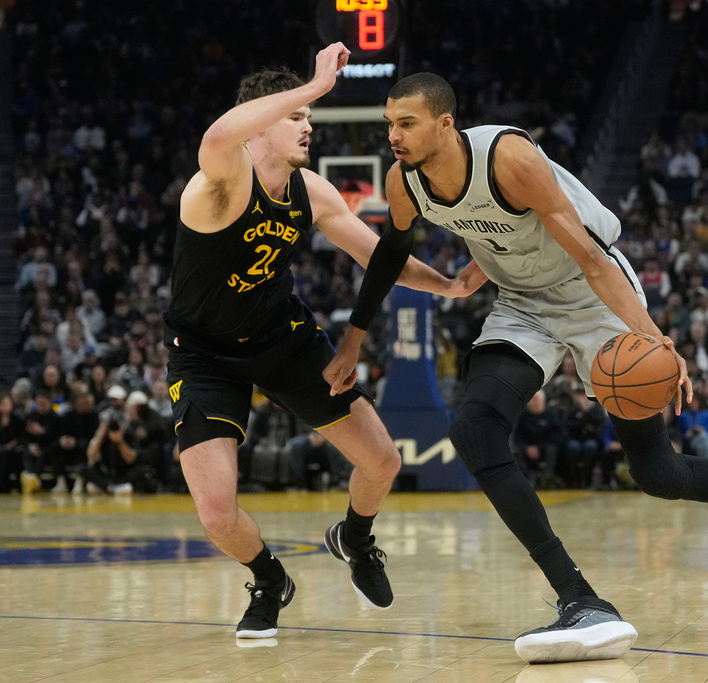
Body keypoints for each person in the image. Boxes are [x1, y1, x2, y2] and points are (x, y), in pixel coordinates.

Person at [325, 72, 708, 664]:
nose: (394, 135)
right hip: (522, 303)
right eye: (389, 123)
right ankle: (579, 598)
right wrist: (354, 339)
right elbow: (392, 251)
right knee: (475, 428)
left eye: (406, 122)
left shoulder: (508, 158)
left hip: (591, 290)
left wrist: (653, 336)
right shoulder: (405, 181)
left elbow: (589, 256)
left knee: (657, 472)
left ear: (444, 123)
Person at [161, 47, 485, 640]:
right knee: (214, 511)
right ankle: (269, 579)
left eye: (309, 115)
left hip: (281, 338)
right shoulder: (219, 179)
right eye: (297, 117)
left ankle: (355, 539)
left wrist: (449, 287)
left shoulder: (313, 190)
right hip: (204, 352)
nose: (308, 124)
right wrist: (313, 84)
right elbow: (216, 134)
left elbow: (377, 257)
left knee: (384, 461)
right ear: (260, 122)